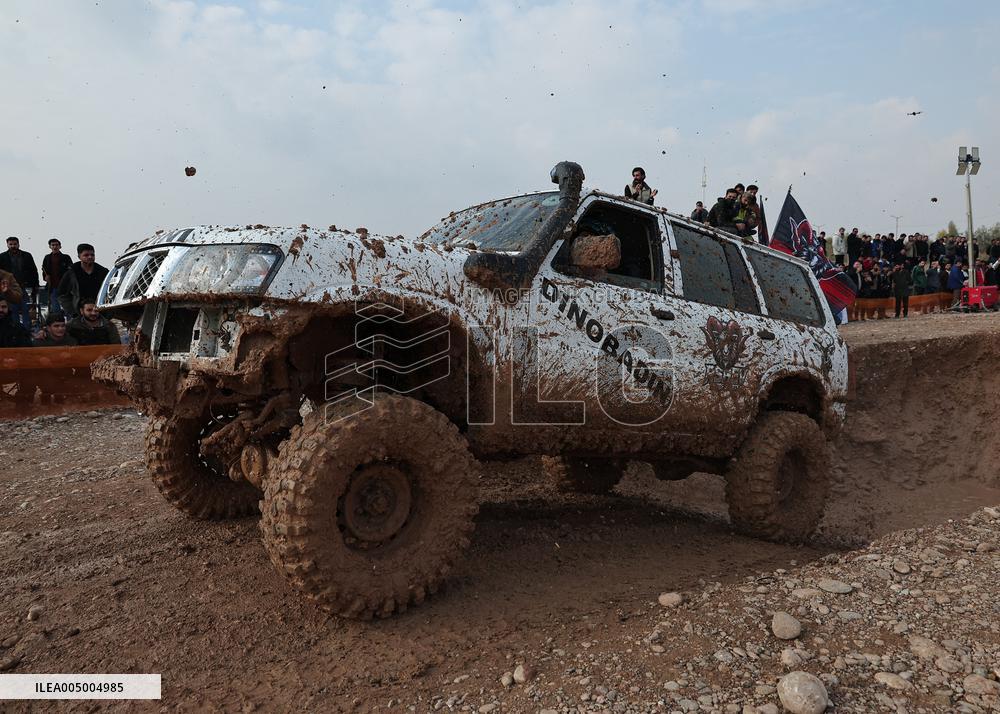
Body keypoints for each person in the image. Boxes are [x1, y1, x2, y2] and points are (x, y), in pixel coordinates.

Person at [57, 243, 109, 318]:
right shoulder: (72, 273)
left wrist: (108, 312)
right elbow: (62, 294)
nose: (90, 257)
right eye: (86, 255)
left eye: (92, 255)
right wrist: (73, 312)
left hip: (100, 312)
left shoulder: (103, 272)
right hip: (79, 313)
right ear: (79, 257)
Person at [0, 237, 39, 330]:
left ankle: (26, 331)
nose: (13, 246)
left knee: (26, 310)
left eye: (15, 244)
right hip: (10, 288)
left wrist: (35, 285)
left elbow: (33, 271)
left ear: (18, 244)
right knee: (13, 310)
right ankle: (15, 330)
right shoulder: (2, 257)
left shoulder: (26, 256)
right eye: (10, 244)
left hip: (25, 287)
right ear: (7, 245)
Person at [41, 238, 73, 317]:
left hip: (65, 287)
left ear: (60, 246)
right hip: (52, 287)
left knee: (67, 307)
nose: (55, 247)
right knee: (55, 308)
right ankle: (58, 322)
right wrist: (45, 277)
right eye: (53, 245)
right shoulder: (47, 258)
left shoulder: (66, 257)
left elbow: (71, 271)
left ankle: (69, 323)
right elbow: (44, 270)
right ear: (50, 246)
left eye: (56, 245)